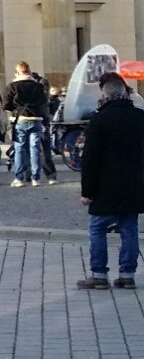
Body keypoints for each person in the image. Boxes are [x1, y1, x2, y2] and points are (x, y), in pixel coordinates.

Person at [76, 72, 142, 290]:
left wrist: (87, 191)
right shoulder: (140, 117)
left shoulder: (100, 120)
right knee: (129, 229)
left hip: (105, 186)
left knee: (97, 228)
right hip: (134, 185)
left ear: (104, 93)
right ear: (125, 93)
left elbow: (90, 159)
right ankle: (127, 275)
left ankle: (99, 275)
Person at [4, 62, 54, 187]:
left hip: (20, 119)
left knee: (20, 148)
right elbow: (43, 101)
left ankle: (19, 178)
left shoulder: (13, 86)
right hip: (36, 119)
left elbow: (6, 104)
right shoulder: (38, 86)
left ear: (18, 72)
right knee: (35, 148)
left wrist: (15, 108)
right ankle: (35, 178)